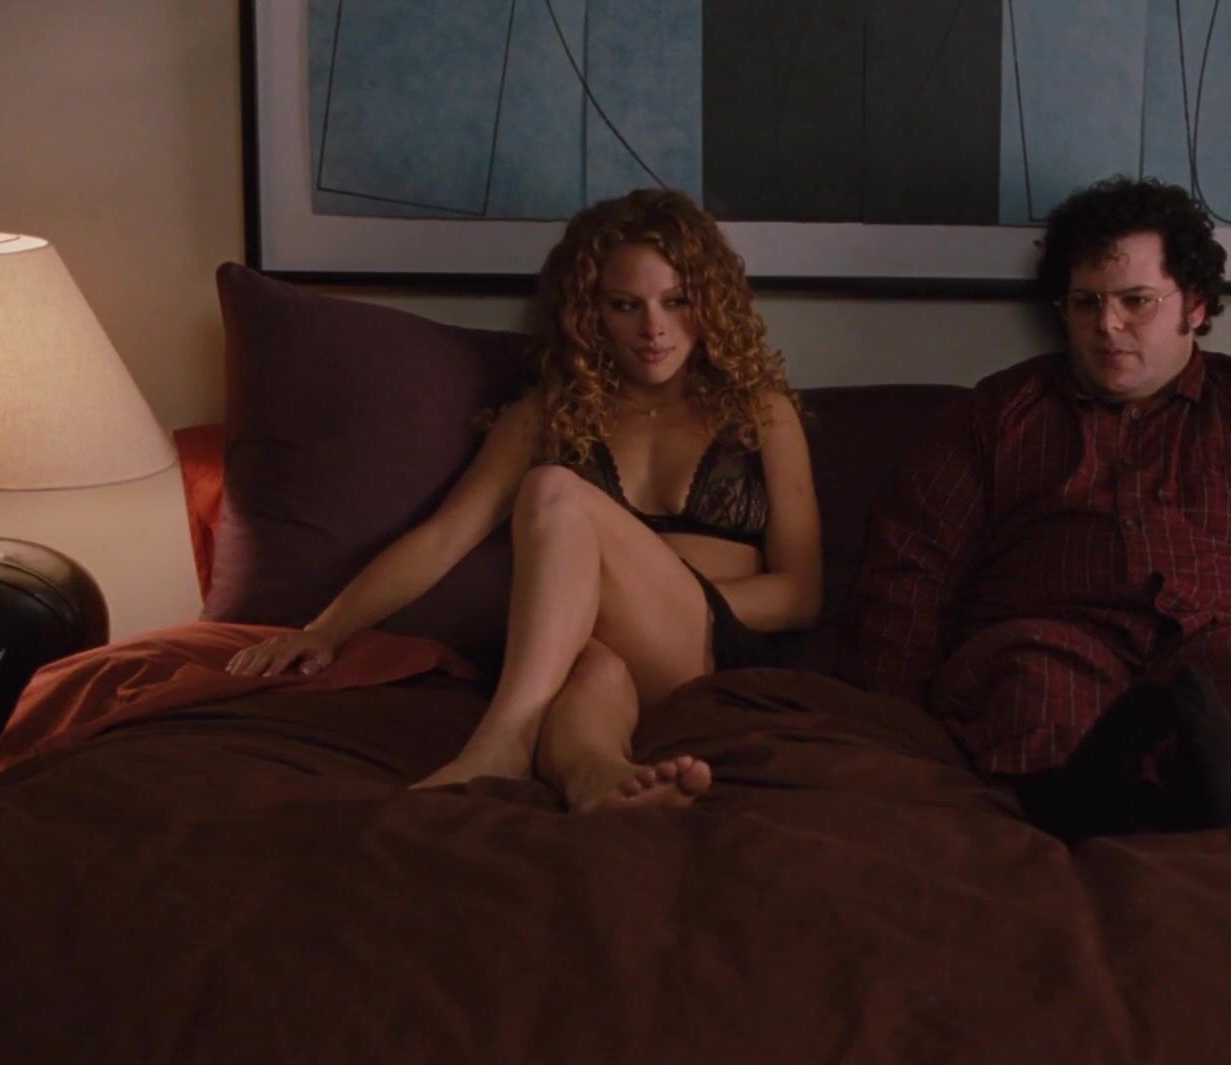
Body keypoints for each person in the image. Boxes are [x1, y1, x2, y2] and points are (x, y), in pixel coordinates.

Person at [838, 177, 1231, 839]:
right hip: (1051, 638)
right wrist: (889, 730)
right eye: (1086, 303)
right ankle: (1093, 814)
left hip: (1229, 643)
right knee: (1034, 682)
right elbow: (910, 573)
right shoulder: (994, 417)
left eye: (1136, 301)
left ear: (1195, 304)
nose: (1107, 326)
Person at [225, 189, 822, 811]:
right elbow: (444, 537)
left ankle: (500, 744)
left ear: (711, 301)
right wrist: (325, 630)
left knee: (552, 488)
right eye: (625, 305)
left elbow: (799, 594)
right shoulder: (546, 416)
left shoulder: (760, 412)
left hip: (708, 644)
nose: (654, 328)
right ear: (590, 312)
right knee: (590, 667)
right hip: (599, 649)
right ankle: (599, 778)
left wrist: (632, 593)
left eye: (676, 301)